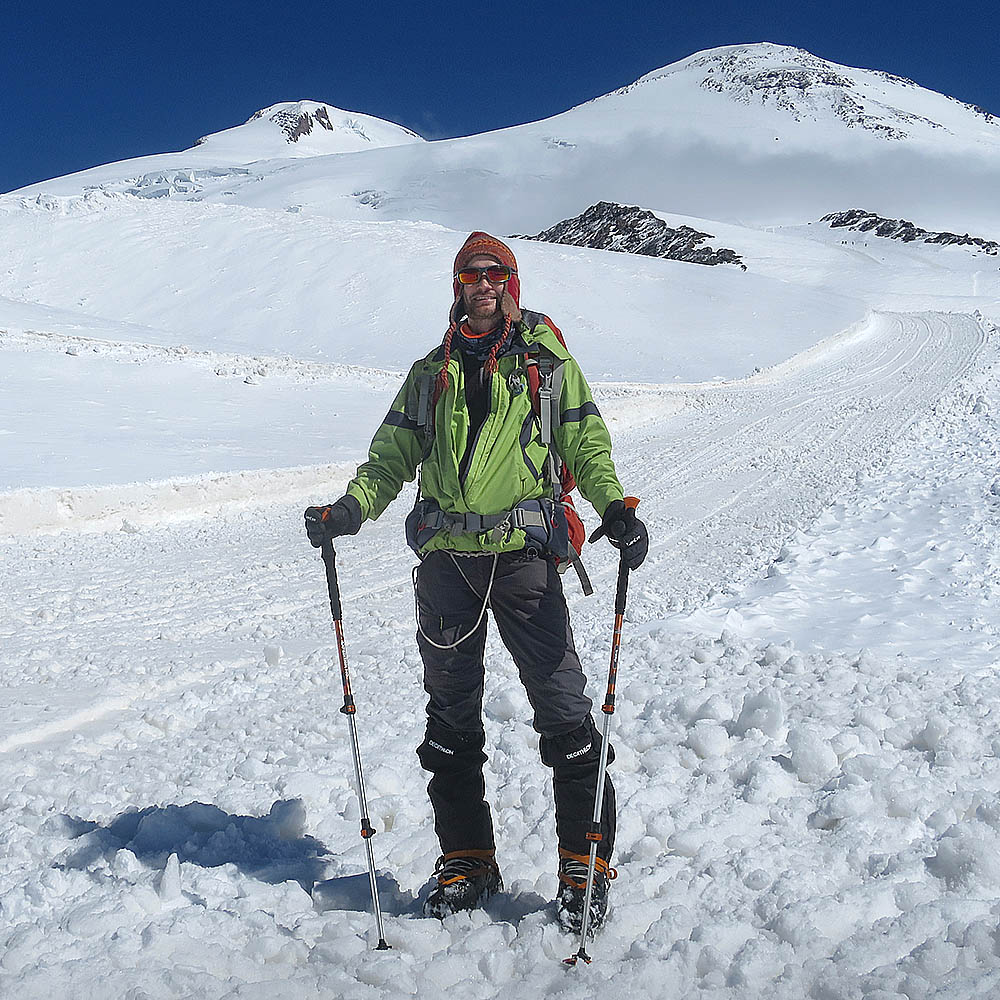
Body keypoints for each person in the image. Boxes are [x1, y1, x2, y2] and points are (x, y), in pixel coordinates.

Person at [305, 232, 648, 933]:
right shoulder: (430, 372)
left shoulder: (548, 366)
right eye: (470, 275)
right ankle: (467, 859)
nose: (483, 284)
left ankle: (585, 864)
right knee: (451, 715)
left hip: (524, 556)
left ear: (512, 285)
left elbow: (585, 440)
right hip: (446, 562)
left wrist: (614, 504)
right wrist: (350, 509)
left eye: (495, 275)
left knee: (563, 707)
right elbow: (390, 457)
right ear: (457, 286)